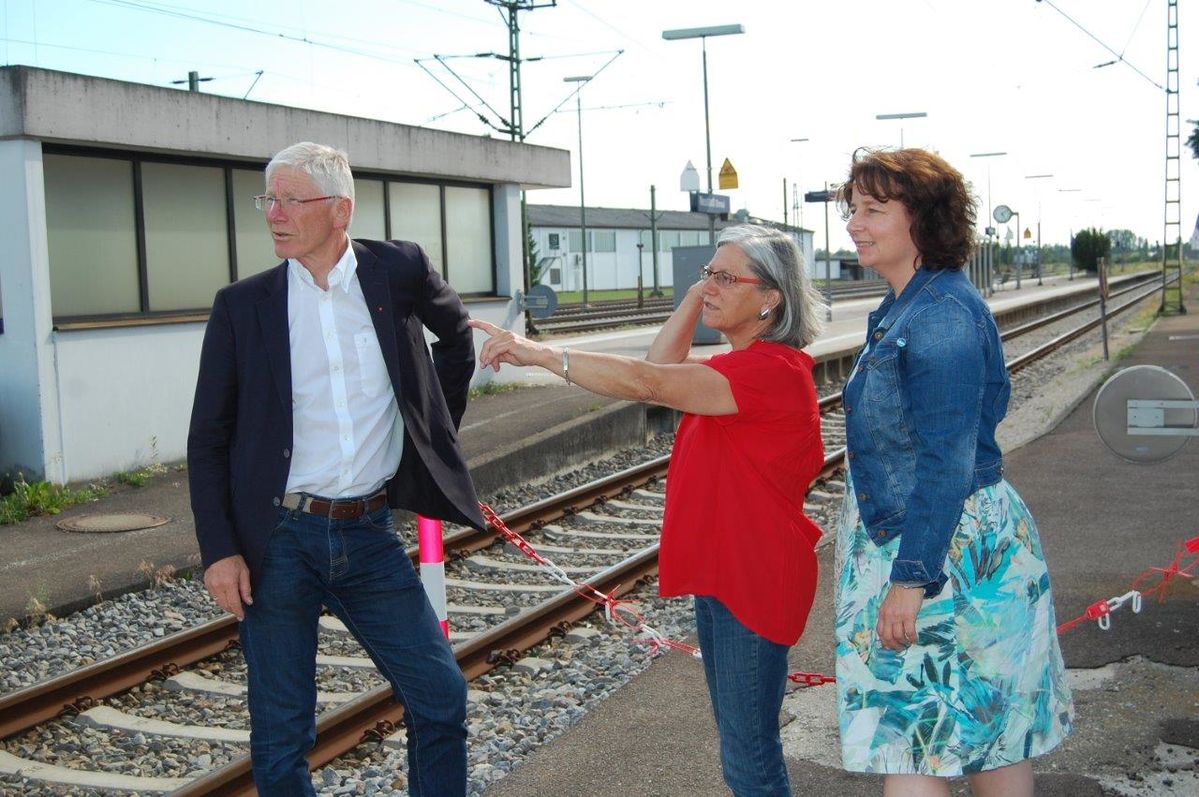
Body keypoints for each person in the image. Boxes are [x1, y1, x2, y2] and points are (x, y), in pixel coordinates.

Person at [469, 224, 826, 796]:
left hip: (753, 579)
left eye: (726, 278)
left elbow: (647, 380)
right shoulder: (739, 365)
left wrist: (540, 354)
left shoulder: (768, 373)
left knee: (749, 757)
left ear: (771, 298)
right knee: (742, 748)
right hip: (728, 575)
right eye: (708, 273)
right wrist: (702, 292)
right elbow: (663, 361)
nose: (709, 286)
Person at [187, 141, 485, 796]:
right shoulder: (243, 305)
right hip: (278, 540)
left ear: (340, 209)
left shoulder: (397, 271)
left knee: (440, 695)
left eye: (291, 199)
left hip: (367, 533)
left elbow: (457, 334)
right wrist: (220, 551)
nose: (274, 213)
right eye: (269, 199)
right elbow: (207, 438)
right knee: (282, 733)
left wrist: (432, 434)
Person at [834, 147, 1073, 796]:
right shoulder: (904, 306)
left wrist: (910, 579)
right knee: (959, 736)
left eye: (873, 209)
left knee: (944, 740)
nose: (854, 224)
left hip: (950, 554)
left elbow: (946, 460)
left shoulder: (939, 315)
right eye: (852, 209)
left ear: (923, 219)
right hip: (930, 539)